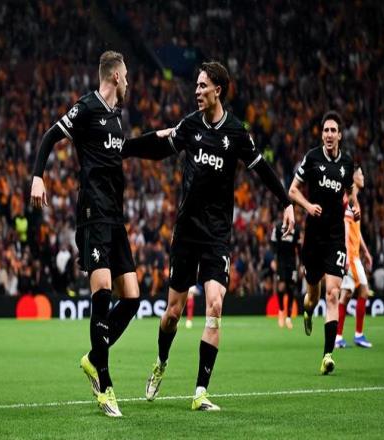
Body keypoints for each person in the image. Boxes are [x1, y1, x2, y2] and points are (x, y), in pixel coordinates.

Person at [123, 61, 294, 410]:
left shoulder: (236, 133)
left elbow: (262, 169)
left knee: (215, 305)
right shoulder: (190, 125)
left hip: (217, 235)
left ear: (218, 89)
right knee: (173, 313)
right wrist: (123, 148)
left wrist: (287, 202)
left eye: (203, 86)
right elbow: (159, 147)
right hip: (186, 232)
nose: (197, 91)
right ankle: (161, 362)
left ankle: (200, 391)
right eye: (196, 86)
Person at [31, 51, 144, 418]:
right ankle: (105, 385)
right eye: (126, 76)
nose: (128, 83)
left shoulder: (116, 118)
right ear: (115, 76)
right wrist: (37, 176)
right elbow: (50, 135)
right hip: (93, 214)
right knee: (103, 291)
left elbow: (123, 153)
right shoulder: (87, 108)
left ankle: (94, 357)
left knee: (132, 297)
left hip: (116, 217)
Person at [289, 110, 359, 375]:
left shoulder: (347, 163)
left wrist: (354, 206)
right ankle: (307, 310)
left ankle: (327, 355)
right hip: (313, 238)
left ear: (340, 135)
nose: (329, 135)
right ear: (322, 135)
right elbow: (292, 190)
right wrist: (307, 206)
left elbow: (350, 190)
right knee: (313, 295)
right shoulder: (312, 157)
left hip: (335, 237)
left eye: (333, 131)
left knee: (332, 293)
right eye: (326, 130)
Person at [335, 166, 373, 348]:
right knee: (364, 290)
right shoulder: (349, 202)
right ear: (353, 178)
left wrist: (366, 251)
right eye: (360, 174)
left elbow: (356, 232)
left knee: (346, 295)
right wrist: (346, 255)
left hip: (355, 255)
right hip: (351, 257)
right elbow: (345, 228)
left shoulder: (355, 201)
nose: (363, 176)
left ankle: (337, 337)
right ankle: (358, 334)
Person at [270, 220, 301, 329]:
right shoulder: (278, 227)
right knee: (281, 286)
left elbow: (299, 248)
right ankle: (281, 310)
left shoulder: (296, 229)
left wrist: (301, 265)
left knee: (291, 288)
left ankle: (288, 317)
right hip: (281, 261)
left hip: (292, 263)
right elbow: (273, 244)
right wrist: (273, 260)